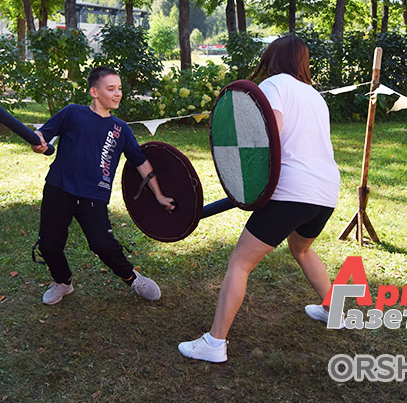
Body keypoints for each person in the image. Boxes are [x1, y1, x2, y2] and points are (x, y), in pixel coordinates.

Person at [178, 36, 342, 363]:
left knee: (241, 262)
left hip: (292, 190)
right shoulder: (315, 96)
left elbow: (266, 139)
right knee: (301, 248)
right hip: (326, 190)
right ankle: (334, 310)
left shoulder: (274, 86)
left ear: (272, 58)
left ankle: (214, 343)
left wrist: (249, 182)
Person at [32, 66, 175, 305]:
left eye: (119, 88)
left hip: (93, 194)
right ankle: (63, 282)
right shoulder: (72, 113)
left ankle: (132, 278)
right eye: (111, 89)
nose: (117, 93)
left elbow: (140, 162)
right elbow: (41, 135)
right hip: (59, 187)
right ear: (94, 92)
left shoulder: (121, 129)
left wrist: (159, 195)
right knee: (49, 244)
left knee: (102, 244)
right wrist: (38, 143)